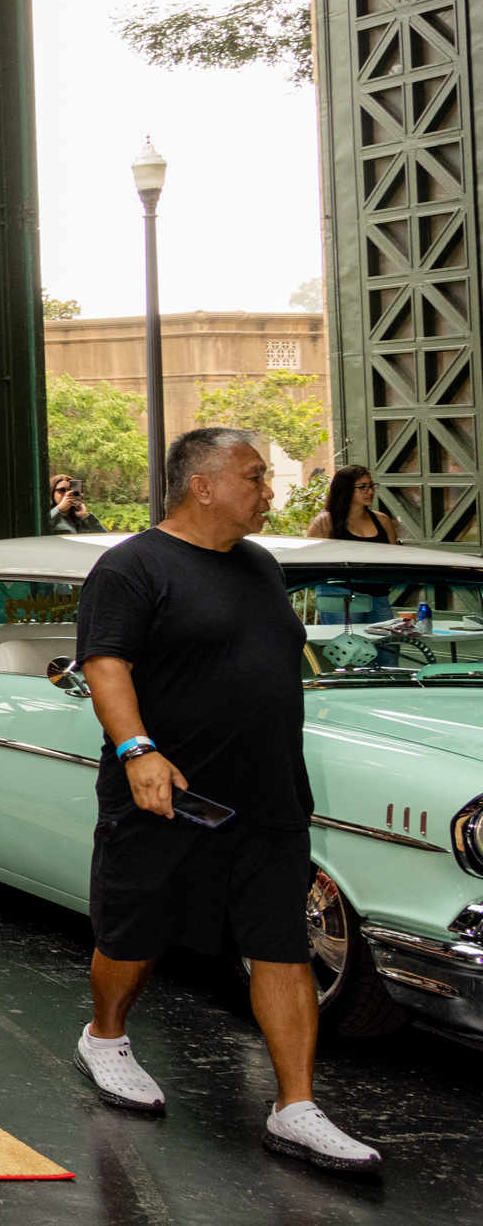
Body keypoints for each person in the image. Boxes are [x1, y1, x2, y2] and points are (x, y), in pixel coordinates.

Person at [69, 425, 380, 1173]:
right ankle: (104, 1035)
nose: (268, 491)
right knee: (133, 935)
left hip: (269, 797)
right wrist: (136, 750)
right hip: (169, 795)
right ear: (202, 483)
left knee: (281, 942)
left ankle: (296, 1106)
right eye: (254, 477)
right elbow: (106, 665)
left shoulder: (260, 565)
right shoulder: (132, 567)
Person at [308, 465, 404, 544]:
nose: (370, 491)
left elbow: (395, 558)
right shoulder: (324, 522)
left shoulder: (383, 520)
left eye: (371, 485)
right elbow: (312, 560)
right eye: (362, 487)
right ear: (346, 489)